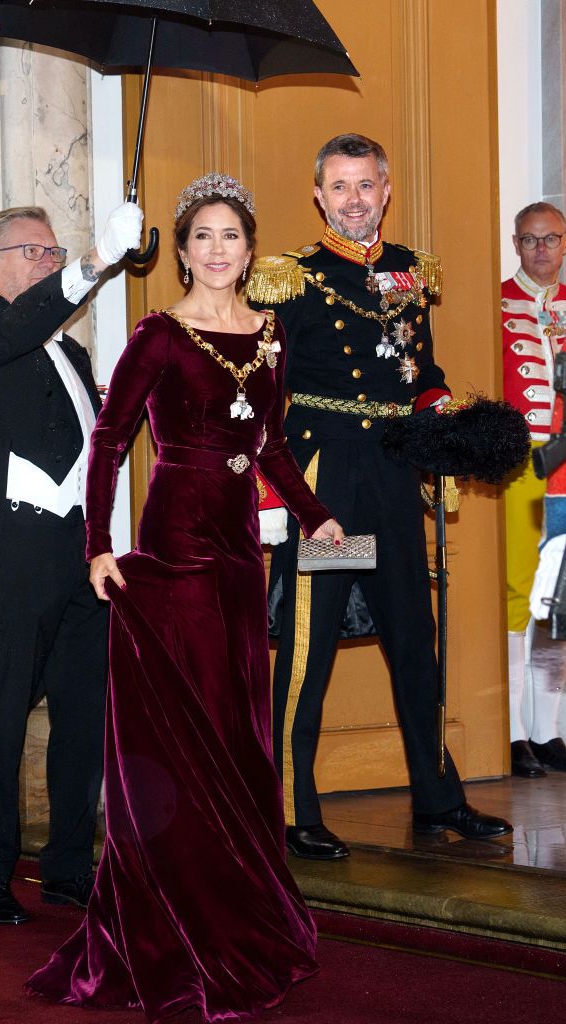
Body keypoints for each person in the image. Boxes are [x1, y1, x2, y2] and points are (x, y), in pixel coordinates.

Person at [26, 172, 343, 1022]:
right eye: (200, 235)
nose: (215, 249)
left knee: (238, 732)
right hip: (174, 543)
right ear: (184, 248)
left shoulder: (269, 335)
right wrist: (96, 544)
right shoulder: (159, 334)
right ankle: (175, 918)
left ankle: (241, 904)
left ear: (248, 249)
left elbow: (270, 445)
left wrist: (312, 515)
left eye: (229, 236)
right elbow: (109, 440)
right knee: (185, 735)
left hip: (240, 552)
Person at [247, 133, 513, 860]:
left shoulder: (406, 272)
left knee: (410, 641)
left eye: (365, 185)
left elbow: (416, 369)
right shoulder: (288, 278)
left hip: (395, 475)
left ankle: (436, 799)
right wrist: (277, 491)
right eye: (339, 187)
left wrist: (443, 411)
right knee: (312, 649)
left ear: (385, 189)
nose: (353, 200)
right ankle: (290, 807)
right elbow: (264, 389)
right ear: (318, 195)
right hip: (328, 481)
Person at [0, 199, 144, 924]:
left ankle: (66, 866)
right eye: (34, 252)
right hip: (11, 552)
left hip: (79, 554)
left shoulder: (73, 353)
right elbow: (16, 326)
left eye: (55, 254)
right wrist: (93, 263)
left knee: (84, 715)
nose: (49, 263)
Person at [502, 201, 566, 778]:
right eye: (530, 240)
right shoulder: (495, 302)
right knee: (519, 591)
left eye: (551, 239)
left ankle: (548, 732)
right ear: (516, 244)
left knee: (558, 596)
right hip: (522, 464)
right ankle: (512, 731)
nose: (541, 250)